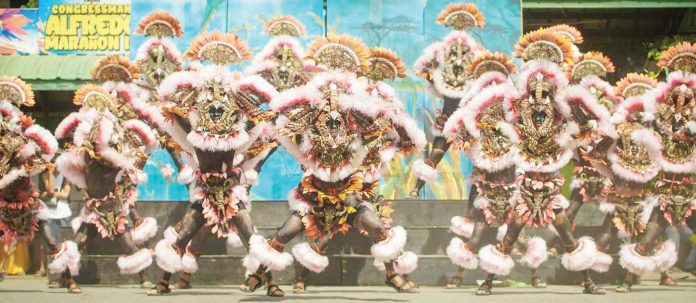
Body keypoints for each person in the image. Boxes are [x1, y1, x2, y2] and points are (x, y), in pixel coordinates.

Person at [242, 34, 420, 297]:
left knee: (378, 228)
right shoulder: (312, 116)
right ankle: (261, 274)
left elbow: (397, 135)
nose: (333, 115)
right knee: (286, 233)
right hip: (316, 192)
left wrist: (388, 119)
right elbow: (285, 127)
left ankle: (394, 276)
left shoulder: (360, 115)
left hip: (353, 190)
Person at [147, 30, 277, 295]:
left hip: (230, 193)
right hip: (205, 193)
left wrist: (264, 111)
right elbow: (174, 115)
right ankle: (163, 282)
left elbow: (255, 120)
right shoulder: (196, 135)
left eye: (222, 106)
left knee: (250, 237)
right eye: (211, 105)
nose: (216, 109)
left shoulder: (235, 134)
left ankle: (270, 282)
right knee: (183, 235)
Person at [54, 84, 161, 293]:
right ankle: (66, 280)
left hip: (114, 206)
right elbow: (77, 154)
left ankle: (143, 278)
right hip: (94, 209)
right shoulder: (85, 148)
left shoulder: (117, 145)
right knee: (78, 243)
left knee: (129, 245)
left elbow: (132, 157)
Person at [0, 76, 80, 293]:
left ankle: (69, 280)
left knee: (52, 241)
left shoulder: (26, 140)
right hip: (3, 203)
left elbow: (41, 159)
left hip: (28, 202)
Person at [410, 3, 485, 197]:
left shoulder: (477, 55)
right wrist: (434, 77)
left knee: (482, 159)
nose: (458, 59)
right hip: (449, 115)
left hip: (471, 117)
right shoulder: (443, 59)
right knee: (436, 153)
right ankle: (416, 189)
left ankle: (475, 209)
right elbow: (425, 69)